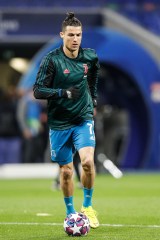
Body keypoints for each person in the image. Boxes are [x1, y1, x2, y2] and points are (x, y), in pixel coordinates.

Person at [33, 12, 100, 228]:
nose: (75, 39)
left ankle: (87, 207)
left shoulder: (90, 57)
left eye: (79, 35)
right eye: (71, 35)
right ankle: (71, 213)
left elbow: (92, 78)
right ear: (62, 34)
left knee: (88, 162)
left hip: (83, 118)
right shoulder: (51, 60)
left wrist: (94, 98)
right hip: (60, 122)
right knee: (66, 171)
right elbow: (38, 90)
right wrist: (63, 93)